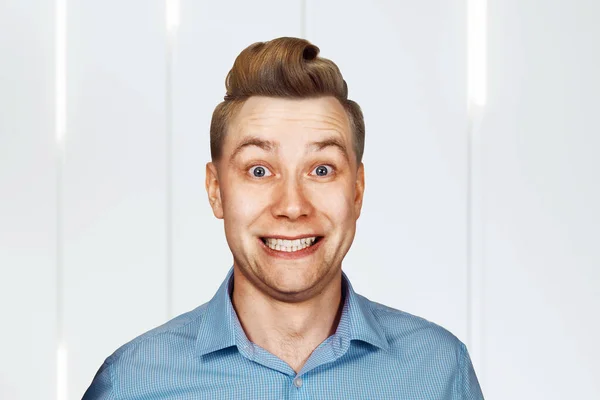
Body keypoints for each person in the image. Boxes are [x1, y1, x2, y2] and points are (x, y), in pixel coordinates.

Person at [83, 36, 484, 399]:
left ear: (357, 191)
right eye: (259, 170)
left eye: (321, 169)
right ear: (216, 190)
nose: (292, 206)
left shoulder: (439, 372)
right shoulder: (131, 385)